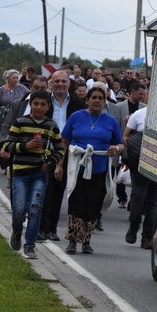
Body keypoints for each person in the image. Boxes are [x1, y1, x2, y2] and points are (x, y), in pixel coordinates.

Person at [59, 86, 124, 254]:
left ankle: (86, 240)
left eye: (100, 98)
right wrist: (60, 163)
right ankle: (72, 240)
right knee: (75, 203)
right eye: (93, 97)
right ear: (87, 100)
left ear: (104, 101)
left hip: (100, 169)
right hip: (77, 167)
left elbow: (121, 144)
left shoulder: (111, 121)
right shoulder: (76, 117)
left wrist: (115, 149)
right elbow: (64, 141)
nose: (97, 101)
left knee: (93, 205)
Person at [2, 89, 65, 259]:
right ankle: (16, 231)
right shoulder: (20, 122)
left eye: (42, 104)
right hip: (21, 173)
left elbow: (60, 149)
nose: (38, 107)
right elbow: (7, 145)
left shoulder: (51, 126)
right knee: (19, 210)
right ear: (30, 105)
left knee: (35, 209)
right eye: (35, 104)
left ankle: (30, 245)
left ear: (48, 106)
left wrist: (51, 162)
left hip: (40, 173)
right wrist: (25, 146)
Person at [38, 69, 86, 241]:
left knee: (58, 192)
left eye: (63, 81)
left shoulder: (77, 103)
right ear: (51, 83)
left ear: (69, 83)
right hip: (44, 151)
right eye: (56, 81)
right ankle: (40, 228)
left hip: (66, 153)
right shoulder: (43, 101)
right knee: (43, 190)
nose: (60, 84)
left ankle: (51, 228)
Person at [123, 104, 157, 249]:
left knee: (154, 203)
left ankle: (147, 237)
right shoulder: (139, 114)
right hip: (140, 164)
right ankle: (134, 225)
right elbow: (126, 136)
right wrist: (133, 151)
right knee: (137, 198)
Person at [0, 76, 50, 172]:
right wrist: (4, 145)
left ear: (47, 88)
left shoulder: (51, 105)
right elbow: (8, 125)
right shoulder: (18, 104)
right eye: (36, 87)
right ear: (30, 87)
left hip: (43, 155)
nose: (39, 90)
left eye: (42, 88)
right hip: (19, 154)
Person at [107, 83, 147, 208]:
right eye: (140, 94)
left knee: (132, 175)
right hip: (119, 144)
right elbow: (116, 126)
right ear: (133, 91)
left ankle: (132, 202)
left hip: (134, 148)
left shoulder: (144, 108)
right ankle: (121, 196)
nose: (142, 96)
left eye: (143, 94)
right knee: (118, 173)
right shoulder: (119, 107)